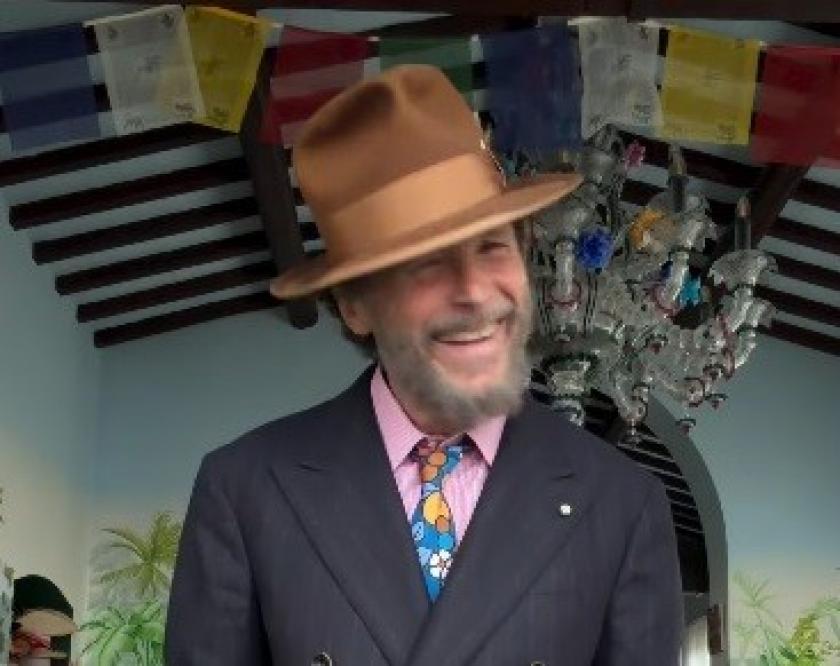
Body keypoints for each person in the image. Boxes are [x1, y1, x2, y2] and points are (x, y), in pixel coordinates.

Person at [165, 64, 684, 666]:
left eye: (493, 246)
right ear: (354, 305)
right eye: (426, 263)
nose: (474, 291)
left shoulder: (621, 504)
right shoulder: (245, 489)